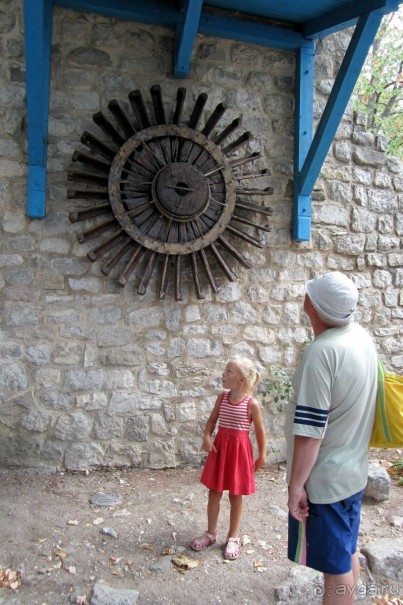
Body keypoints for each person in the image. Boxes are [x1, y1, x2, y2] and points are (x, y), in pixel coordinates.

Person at [285, 272, 378, 605]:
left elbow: (311, 431)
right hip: (353, 473)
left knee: (334, 569)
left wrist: (296, 485)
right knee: (346, 552)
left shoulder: (321, 353)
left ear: (314, 305)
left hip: (325, 483)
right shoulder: (362, 338)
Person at [191, 357, 267, 560]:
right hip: (220, 450)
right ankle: (211, 533)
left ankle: (233, 537)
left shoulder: (252, 404)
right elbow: (212, 420)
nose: (223, 374)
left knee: (235, 496)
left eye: (229, 372)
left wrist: (262, 455)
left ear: (242, 379)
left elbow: (260, 432)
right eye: (225, 371)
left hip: (239, 454)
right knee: (214, 492)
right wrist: (207, 437)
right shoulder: (222, 398)